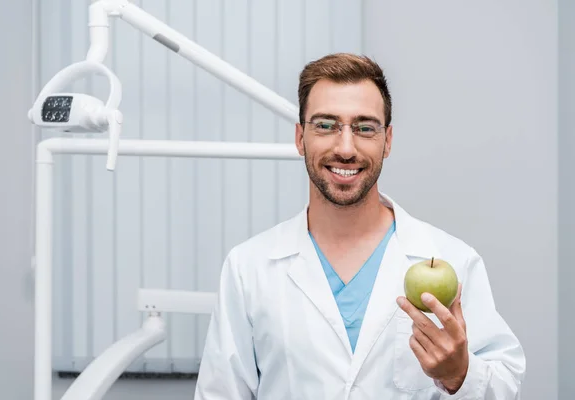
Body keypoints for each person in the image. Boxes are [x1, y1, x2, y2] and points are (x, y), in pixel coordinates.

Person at [194, 53, 526, 399]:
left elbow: (505, 386)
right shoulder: (249, 267)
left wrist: (460, 374)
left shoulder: (453, 260)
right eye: (325, 125)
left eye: (365, 128)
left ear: (388, 141)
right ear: (299, 138)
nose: (346, 148)